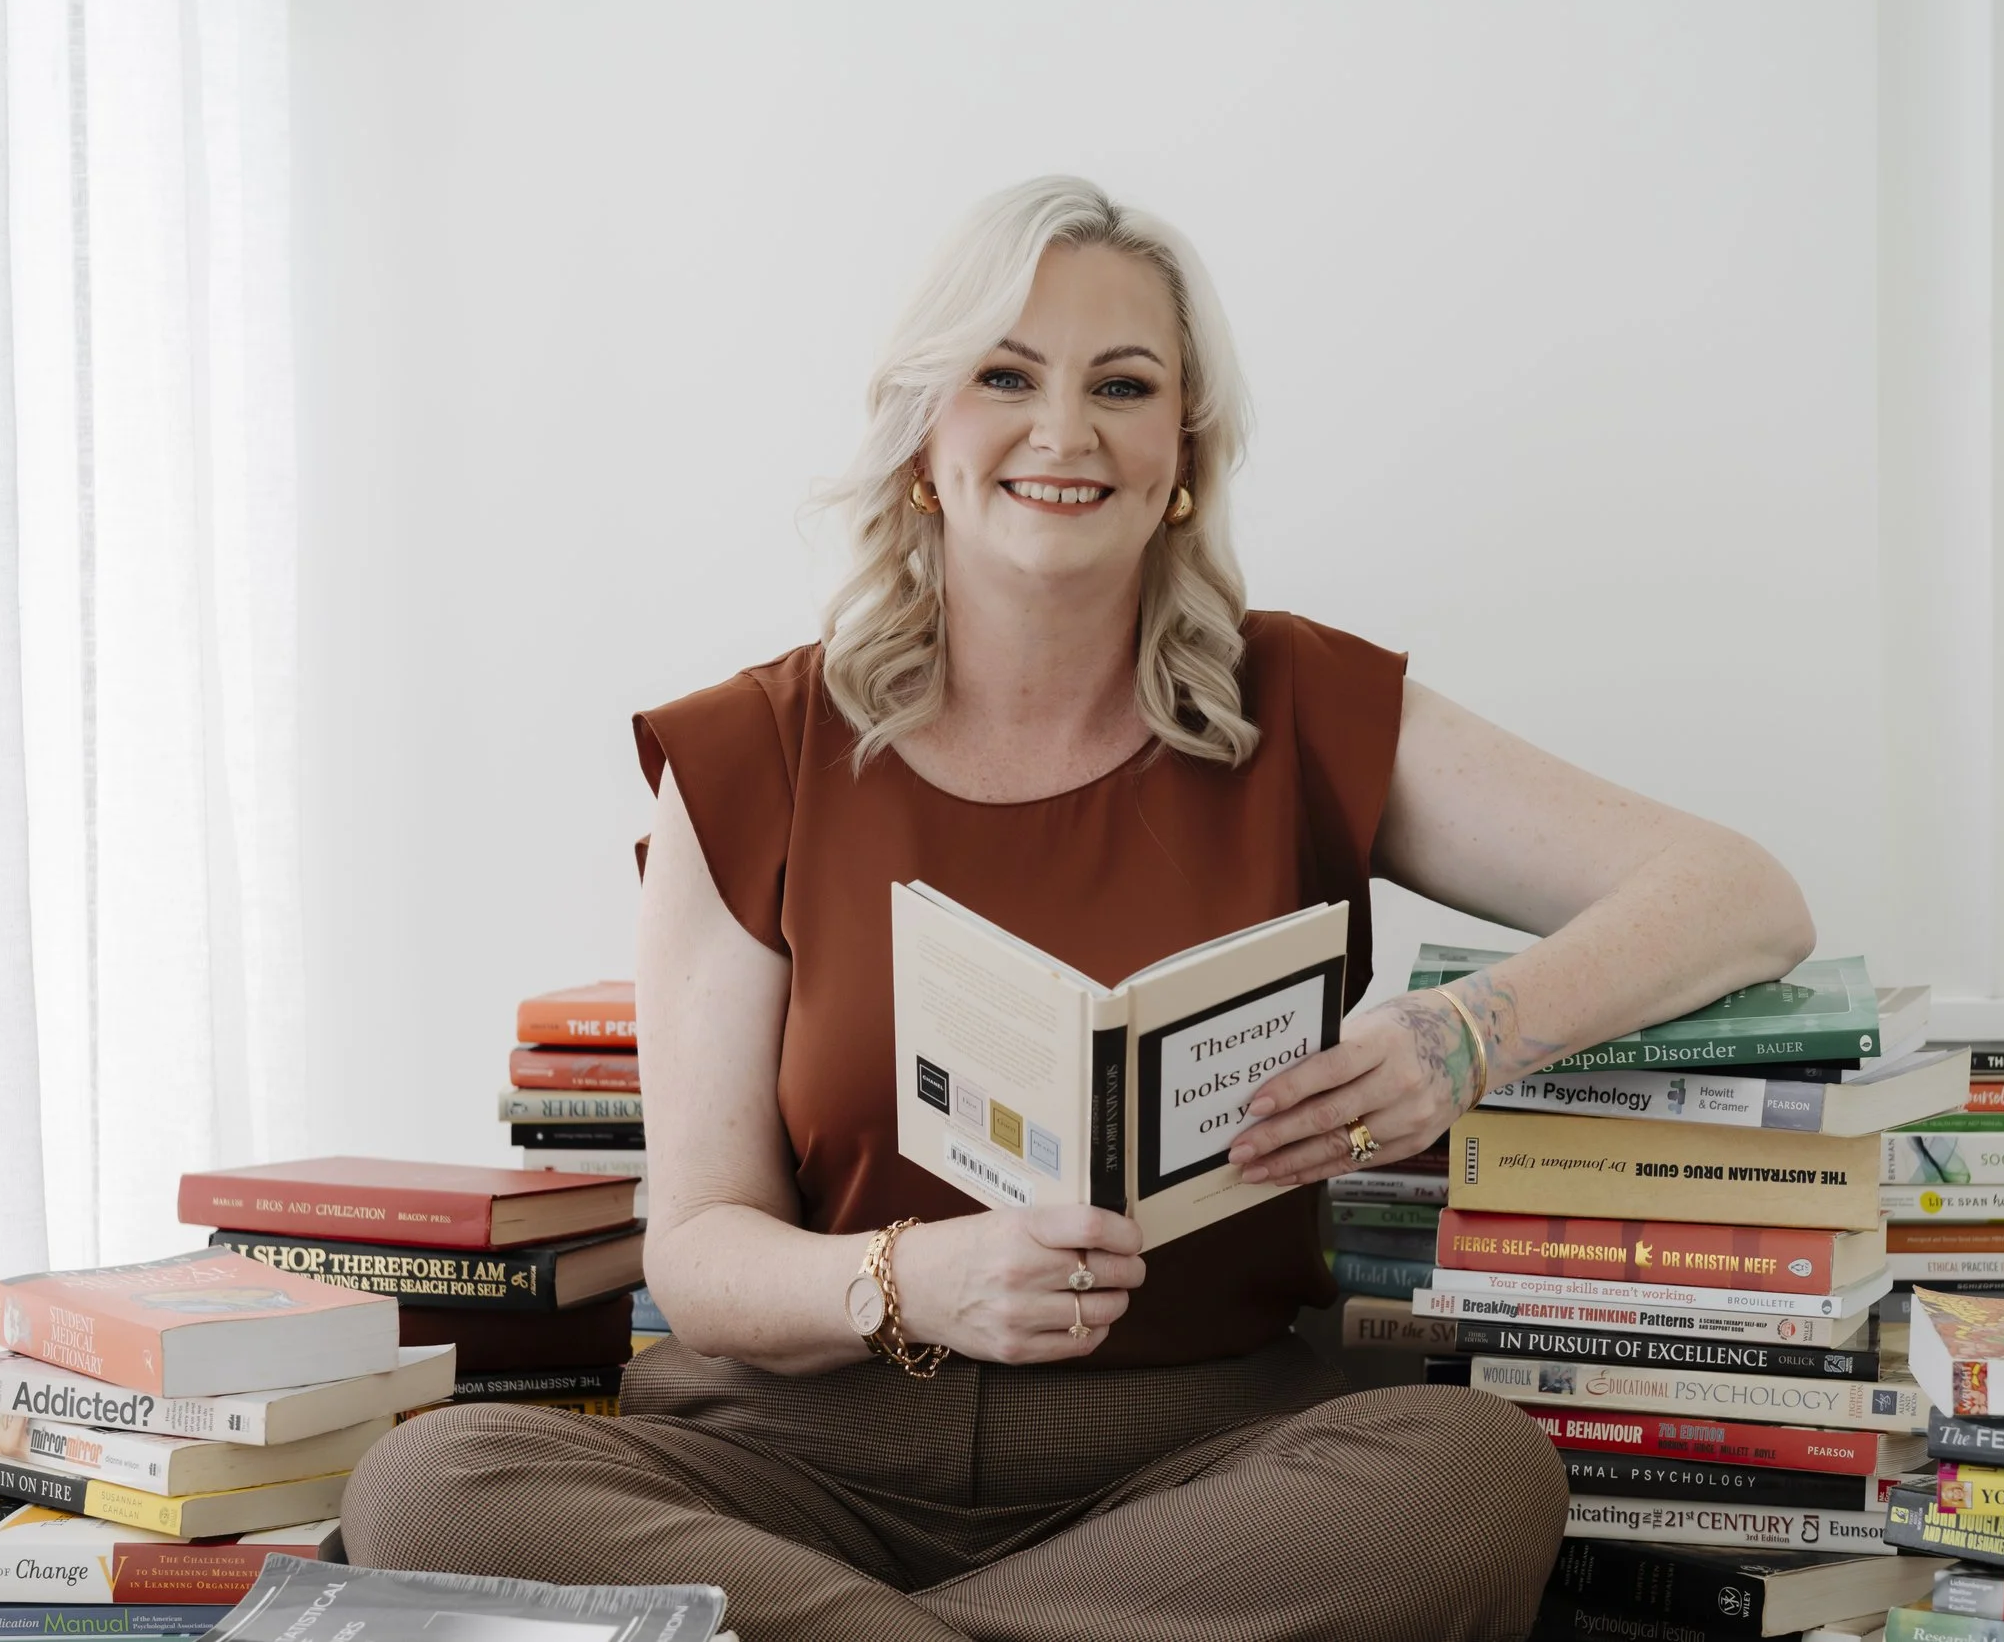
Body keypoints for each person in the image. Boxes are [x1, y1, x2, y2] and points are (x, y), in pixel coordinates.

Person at [343, 176, 1818, 1642]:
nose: (1063, 432)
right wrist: (915, 1279)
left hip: (1199, 1477)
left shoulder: (1299, 704)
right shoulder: (755, 753)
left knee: (1476, 1476)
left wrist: (1462, 1035)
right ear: (927, 432)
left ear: (1184, 448)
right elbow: (702, 1250)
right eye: (1005, 376)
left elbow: (1740, 894)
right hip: (787, 1464)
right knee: (429, 1483)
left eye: (1123, 384)